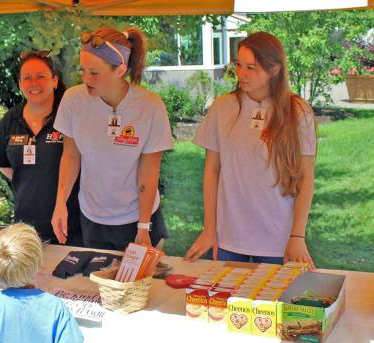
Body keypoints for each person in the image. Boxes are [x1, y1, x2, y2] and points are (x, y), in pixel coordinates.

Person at [184, 32, 317, 268]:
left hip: (279, 239)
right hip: (230, 237)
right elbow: (212, 171)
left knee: (275, 304)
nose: (241, 73)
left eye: (251, 67)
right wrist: (209, 229)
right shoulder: (223, 107)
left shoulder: (298, 111)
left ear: (274, 69)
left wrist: (297, 236)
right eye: (239, 65)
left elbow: (306, 178)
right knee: (229, 303)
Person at [51, 28, 173, 251]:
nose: (86, 78)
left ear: (120, 70)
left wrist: (143, 228)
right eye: (83, 70)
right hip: (92, 217)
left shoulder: (150, 107)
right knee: (96, 284)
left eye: (95, 73)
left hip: (138, 219)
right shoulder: (72, 100)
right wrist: (60, 203)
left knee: (139, 286)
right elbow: (70, 156)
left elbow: (149, 168)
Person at [0, 50, 82, 245]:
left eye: (41, 77)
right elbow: (3, 164)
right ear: (20, 84)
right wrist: (32, 180)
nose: (34, 83)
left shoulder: (68, 117)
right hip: (26, 227)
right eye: (27, 78)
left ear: (55, 81)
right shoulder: (10, 120)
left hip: (70, 225)